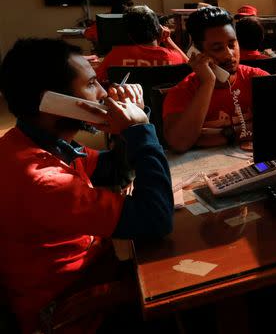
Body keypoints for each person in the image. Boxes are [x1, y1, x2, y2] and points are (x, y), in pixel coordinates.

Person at [0, 38, 173, 333]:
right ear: (52, 101)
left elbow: (116, 170)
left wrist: (133, 121)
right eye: (92, 83)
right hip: (73, 310)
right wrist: (141, 131)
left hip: (89, 273)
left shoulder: (30, 143)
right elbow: (156, 218)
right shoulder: (42, 178)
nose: (104, 94)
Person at [162, 7, 268, 152]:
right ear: (197, 52)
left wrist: (225, 134)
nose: (229, 54)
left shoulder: (257, 78)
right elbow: (179, 143)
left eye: (232, 44)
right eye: (217, 48)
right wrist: (207, 83)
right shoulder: (182, 91)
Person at [94, 5, 189, 82]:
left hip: (129, 104)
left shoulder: (116, 55)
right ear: (159, 30)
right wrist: (167, 40)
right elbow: (190, 68)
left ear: (129, 35)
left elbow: (97, 79)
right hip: (164, 105)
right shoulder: (174, 56)